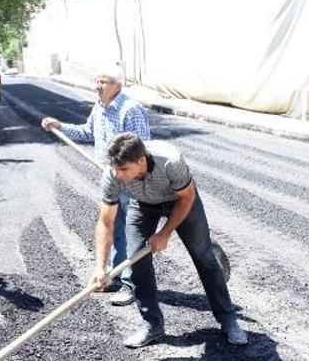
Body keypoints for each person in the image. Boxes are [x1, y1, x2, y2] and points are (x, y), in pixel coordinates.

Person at [89, 133, 248, 348]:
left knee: (203, 256)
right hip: (142, 204)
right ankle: (151, 324)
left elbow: (187, 196)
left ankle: (228, 319)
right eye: (116, 169)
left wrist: (165, 233)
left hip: (180, 200)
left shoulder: (170, 161)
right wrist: (100, 267)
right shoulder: (113, 173)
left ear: (141, 161)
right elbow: (106, 221)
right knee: (136, 259)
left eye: (124, 170)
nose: (118, 175)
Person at [41, 69, 150, 306]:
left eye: (104, 82)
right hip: (111, 179)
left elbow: (143, 150)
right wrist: (60, 126)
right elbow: (88, 132)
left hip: (130, 181)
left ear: (118, 85)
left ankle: (132, 285)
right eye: (97, 81)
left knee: (131, 232)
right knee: (114, 228)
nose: (98, 86)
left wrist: (133, 179)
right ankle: (117, 277)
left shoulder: (130, 110)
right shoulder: (100, 107)